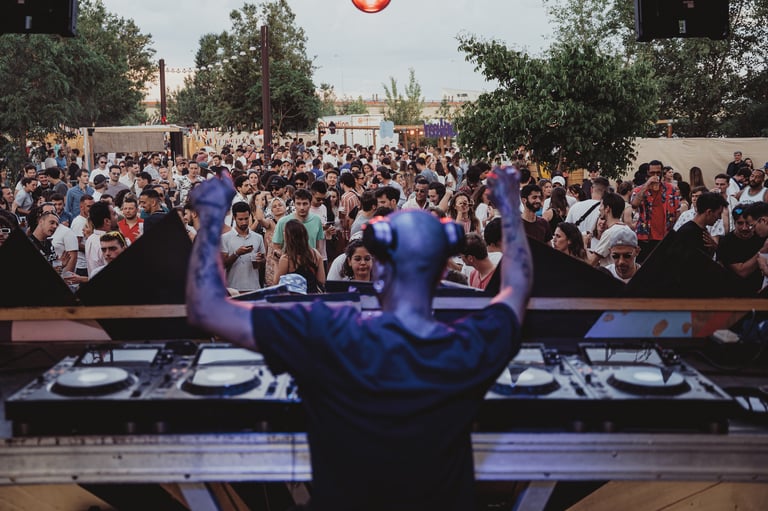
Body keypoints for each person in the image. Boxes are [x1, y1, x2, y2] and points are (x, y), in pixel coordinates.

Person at [185, 164, 532, 511]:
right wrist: (510, 208)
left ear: (378, 268)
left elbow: (207, 308)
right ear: (442, 270)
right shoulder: (470, 344)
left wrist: (212, 218)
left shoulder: (327, 331)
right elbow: (516, 288)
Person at [630, 160, 681, 262]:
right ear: (647, 173)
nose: (655, 175)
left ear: (662, 173)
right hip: (645, 237)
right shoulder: (639, 190)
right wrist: (647, 185)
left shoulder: (671, 189)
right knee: (643, 266)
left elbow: (677, 212)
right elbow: (634, 204)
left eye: (658, 173)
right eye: (652, 173)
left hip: (665, 237)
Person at [221, 201, 266, 293]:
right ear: (234, 218)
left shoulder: (258, 237)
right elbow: (222, 264)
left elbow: (263, 262)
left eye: (246, 218)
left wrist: (261, 260)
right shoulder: (225, 238)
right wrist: (237, 254)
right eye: (240, 219)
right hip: (233, 289)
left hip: (254, 287)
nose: (244, 222)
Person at [275, 219, 325, 293]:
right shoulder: (316, 254)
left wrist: (276, 262)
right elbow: (321, 280)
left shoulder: (286, 259)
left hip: (295, 298)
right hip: (312, 296)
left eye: (284, 232)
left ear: (288, 237)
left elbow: (276, 283)